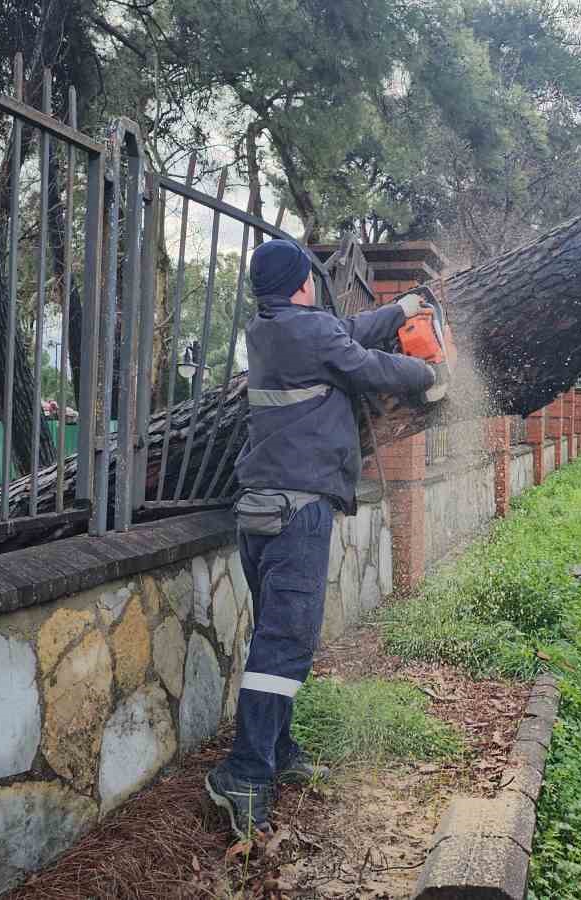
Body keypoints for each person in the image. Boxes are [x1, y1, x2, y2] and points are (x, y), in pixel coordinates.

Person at [205, 238, 440, 838]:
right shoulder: (310, 335)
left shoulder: (270, 329)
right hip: (296, 510)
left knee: (275, 641)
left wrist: (404, 305)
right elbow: (371, 365)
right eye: (310, 277)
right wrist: (428, 372)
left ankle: (276, 750)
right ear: (302, 284)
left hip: (262, 509)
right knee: (286, 644)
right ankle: (245, 771)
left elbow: (350, 330)